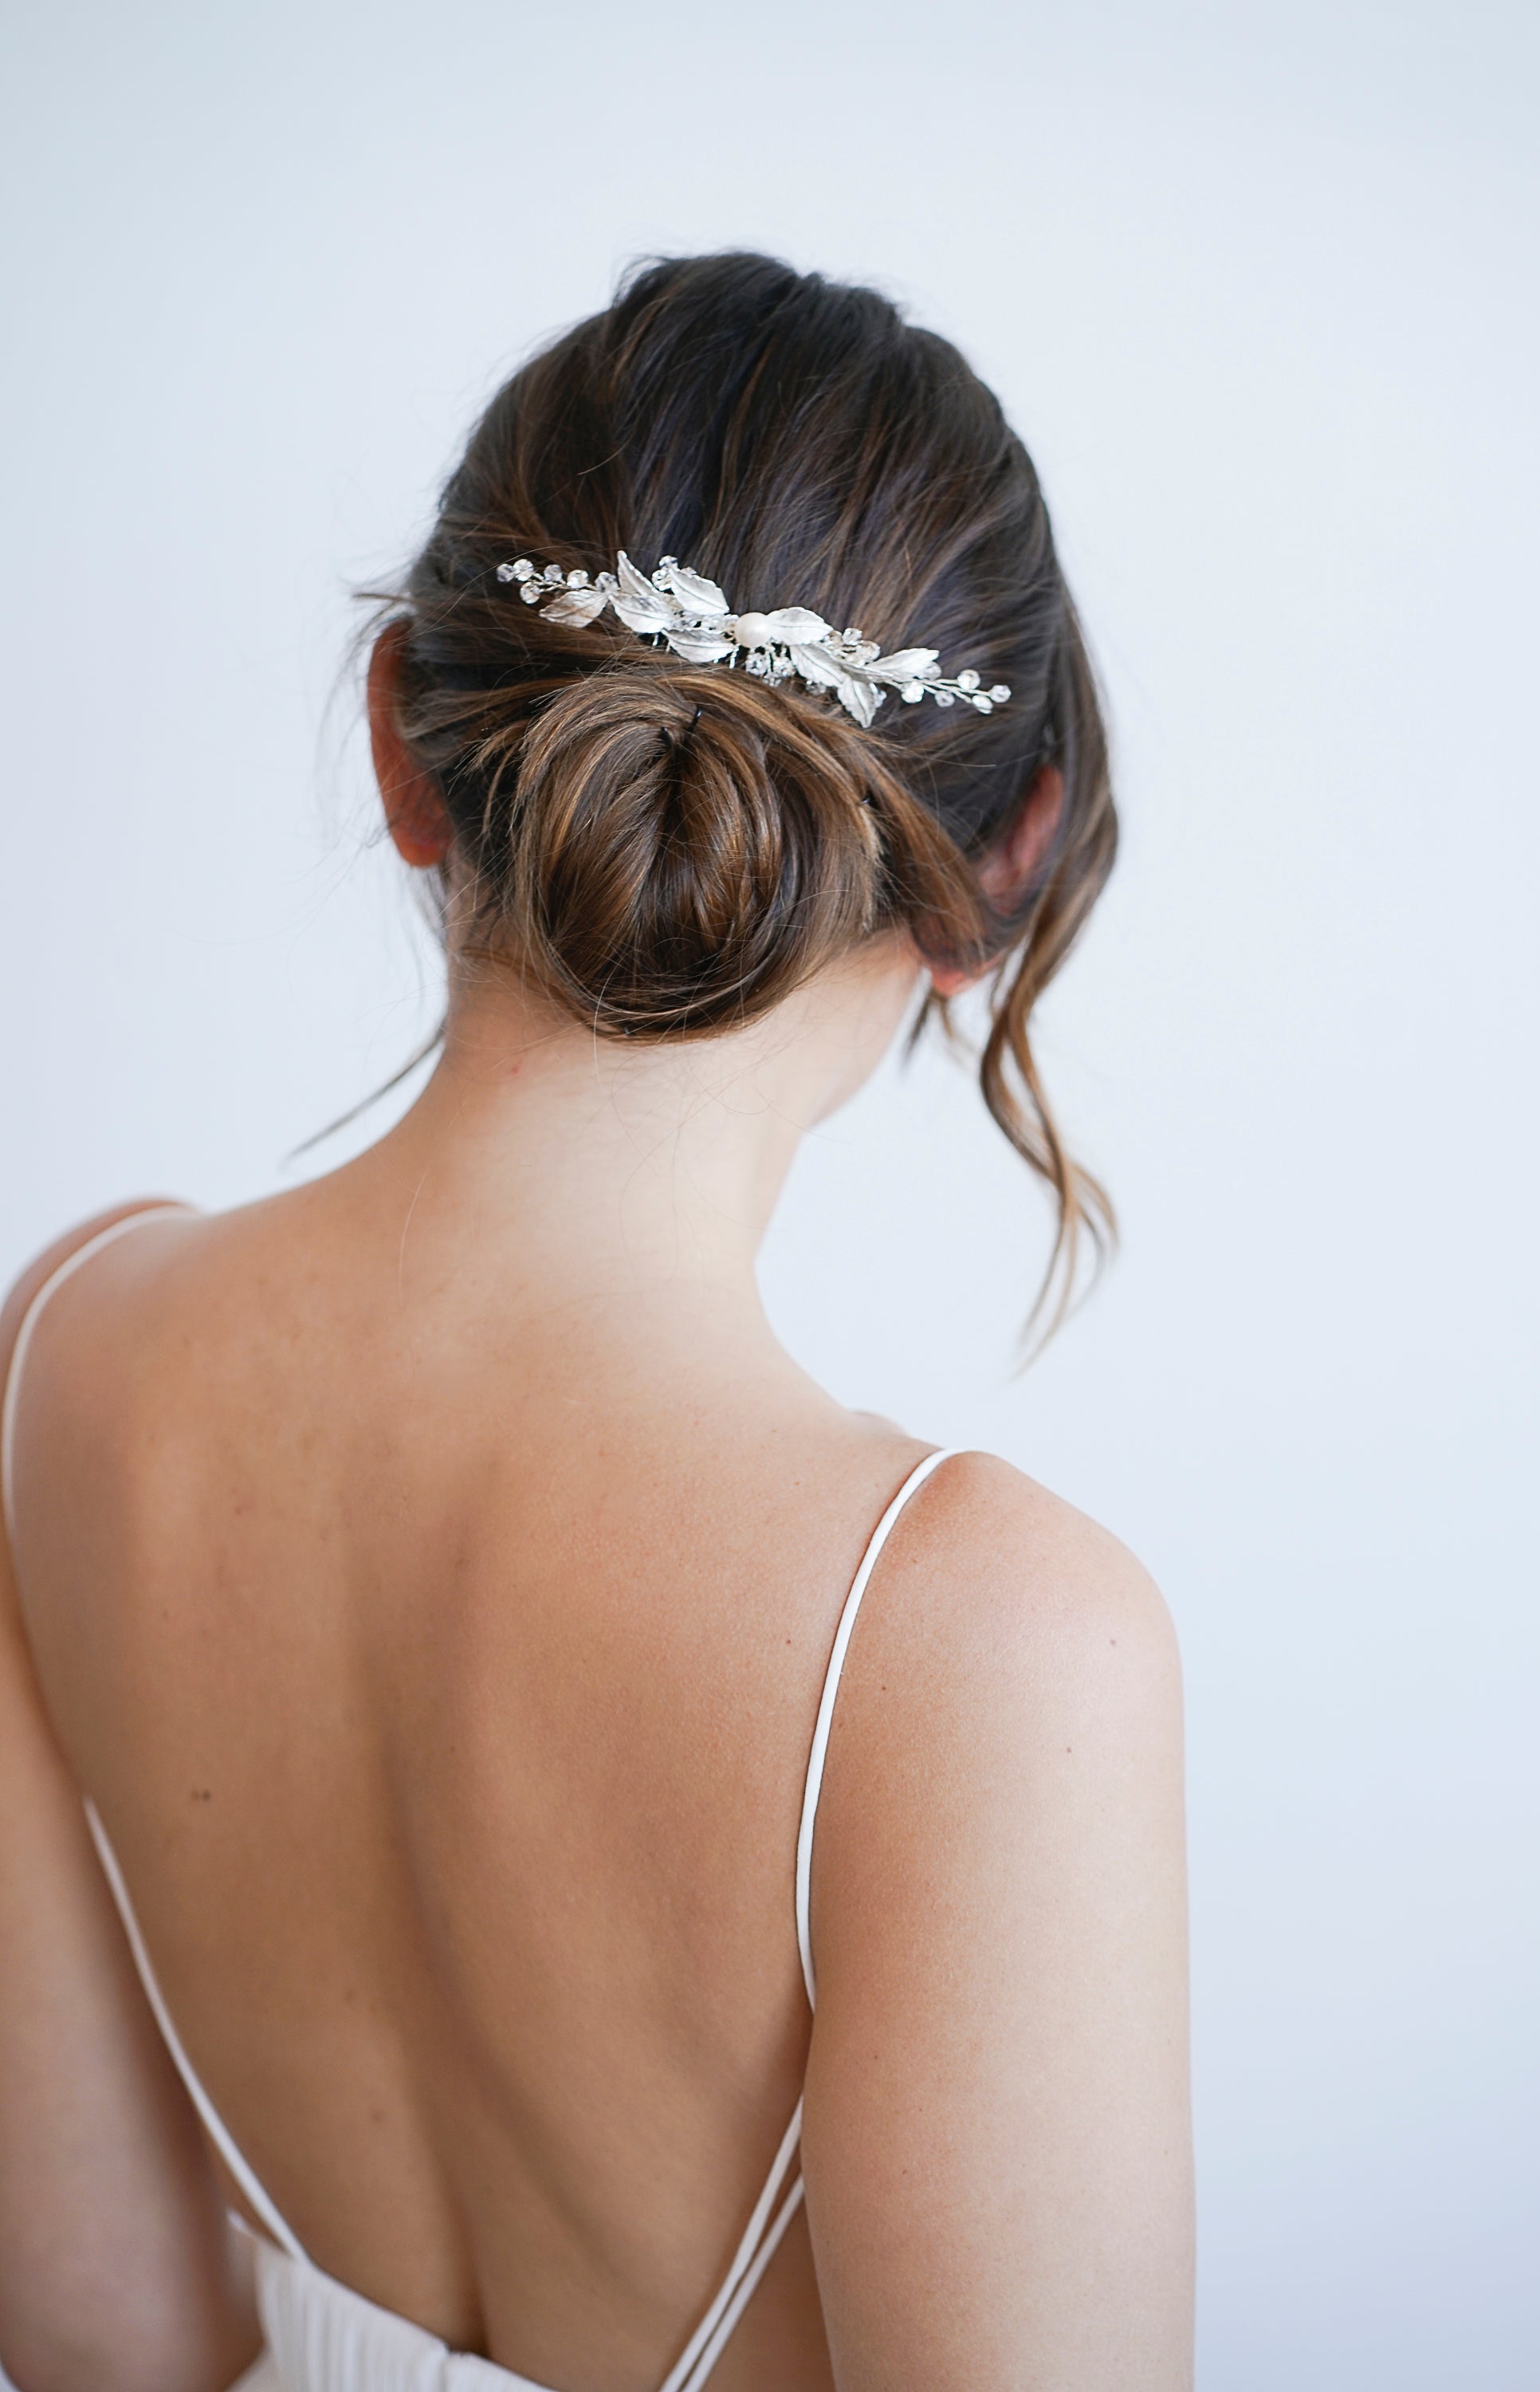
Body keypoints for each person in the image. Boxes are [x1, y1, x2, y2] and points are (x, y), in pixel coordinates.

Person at [0, 254, 1192, 2392]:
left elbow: (101, 2332)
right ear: (997, 868)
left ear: (403, 745)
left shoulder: (59, 1356)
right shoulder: (976, 1642)